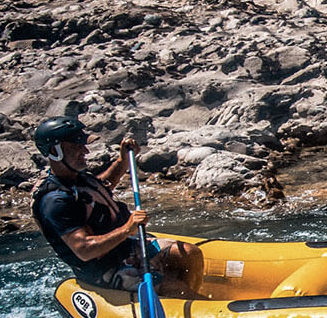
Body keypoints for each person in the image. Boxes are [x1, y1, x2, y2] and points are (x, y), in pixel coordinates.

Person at [30, 116, 203, 298]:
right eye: (77, 146)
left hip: (125, 248)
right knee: (176, 289)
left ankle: (185, 299)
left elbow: (101, 188)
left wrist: (123, 161)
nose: (86, 151)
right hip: (104, 269)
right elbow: (84, 249)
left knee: (190, 253)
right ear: (54, 150)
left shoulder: (77, 178)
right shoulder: (55, 201)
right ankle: (181, 297)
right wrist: (127, 229)